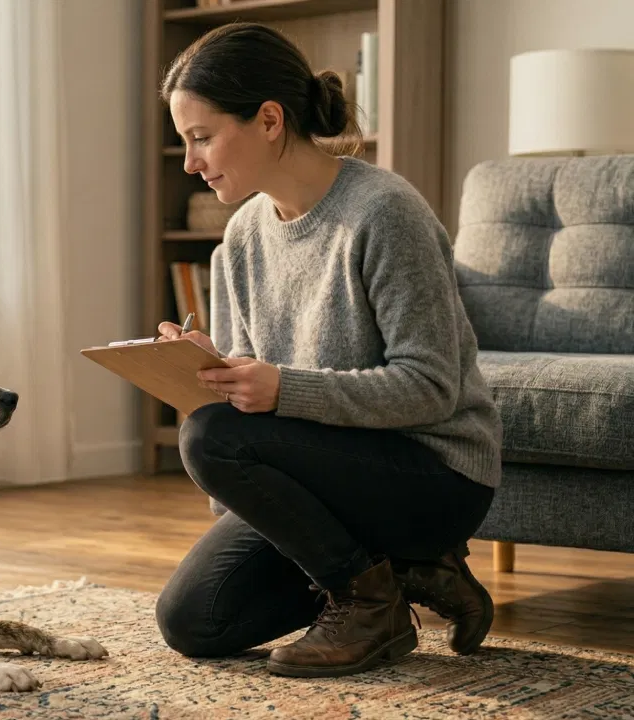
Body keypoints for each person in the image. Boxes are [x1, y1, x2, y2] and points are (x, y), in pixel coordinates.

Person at [151, 22, 503, 679]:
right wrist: (218, 374)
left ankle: (371, 605)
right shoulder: (243, 239)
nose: (192, 162)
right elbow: (249, 420)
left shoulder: (385, 214)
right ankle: (408, 571)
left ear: (269, 120)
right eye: (185, 142)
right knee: (194, 621)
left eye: (201, 137)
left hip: (433, 474)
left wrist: (278, 390)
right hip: (326, 480)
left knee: (207, 435)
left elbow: (430, 388)